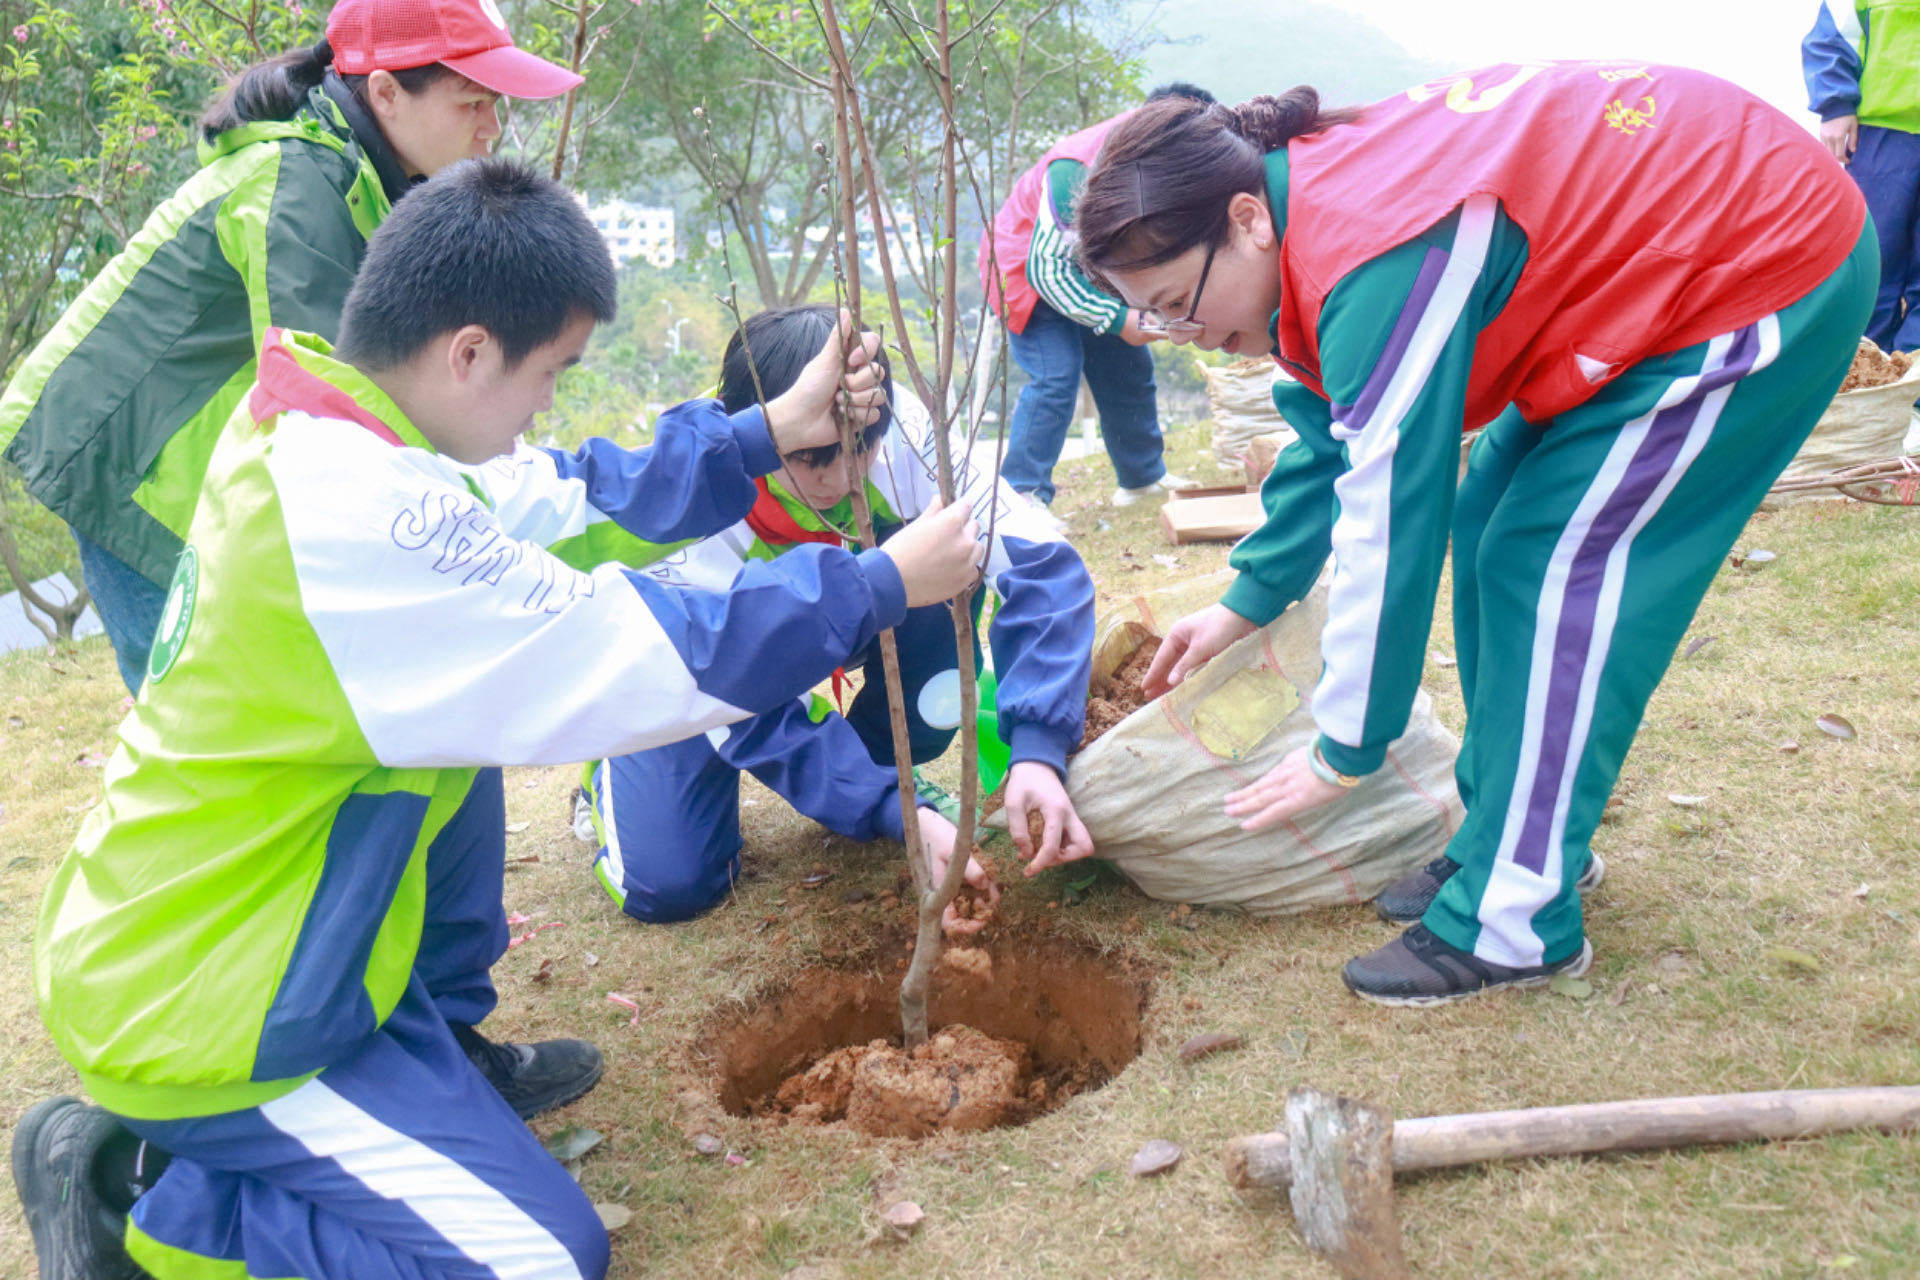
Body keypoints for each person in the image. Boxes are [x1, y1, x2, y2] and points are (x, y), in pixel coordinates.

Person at [13, 160, 984, 1280]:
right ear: (468, 351)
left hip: (310, 971)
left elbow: (574, 498)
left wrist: (763, 432)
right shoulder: (355, 521)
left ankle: (184, 1163)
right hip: (218, 1013)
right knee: (539, 1261)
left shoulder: (340, 434)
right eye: (552, 373)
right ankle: (129, 1201)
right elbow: (627, 652)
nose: (548, 405)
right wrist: (875, 583)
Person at [1072, 63, 1873, 1005]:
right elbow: (1334, 431)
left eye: (1175, 301)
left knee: (1555, 570)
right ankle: (1505, 844)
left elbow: (1387, 515)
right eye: (1154, 315)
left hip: (1754, 265)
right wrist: (1247, 603)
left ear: (1247, 218)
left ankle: (1515, 918)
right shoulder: (1305, 229)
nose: (1181, 332)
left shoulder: (1371, 251)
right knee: (1490, 522)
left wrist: (1344, 747)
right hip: (1646, 286)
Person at [0, 0, 583, 693]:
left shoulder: (367, 174)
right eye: (472, 104)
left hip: (183, 444)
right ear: (388, 93)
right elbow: (327, 398)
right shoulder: (299, 182)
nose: (492, 129)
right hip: (123, 449)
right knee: (200, 703)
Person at [582, 304, 1098, 932]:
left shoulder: (899, 426)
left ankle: (876, 766)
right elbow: (736, 697)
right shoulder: (694, 498)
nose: (840, 477)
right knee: (674, 886)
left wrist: (1038, 750)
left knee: (942, 578)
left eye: (861, 450)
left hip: (831, 610)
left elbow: (1042, 564)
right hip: (695, 667)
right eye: (811, 457)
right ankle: (610, 772)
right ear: (768, 426)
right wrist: (889, 808)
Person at [978, 84, 1214, 509]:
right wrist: (1119, 318)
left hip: (1091, 269)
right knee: (1056, 377)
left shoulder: (1153, 164)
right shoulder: (1079, 168)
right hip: (1024, 272)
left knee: (1128, 367)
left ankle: (1142, 479)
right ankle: (1022, 498)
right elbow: (1045, 268)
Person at [1804, 1, 1920, 351]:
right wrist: (1835, 104)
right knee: (1870, 267)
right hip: (1882, 131)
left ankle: (1911, 393)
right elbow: (1832, 35)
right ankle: (1867, 382)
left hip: (1885, 136)